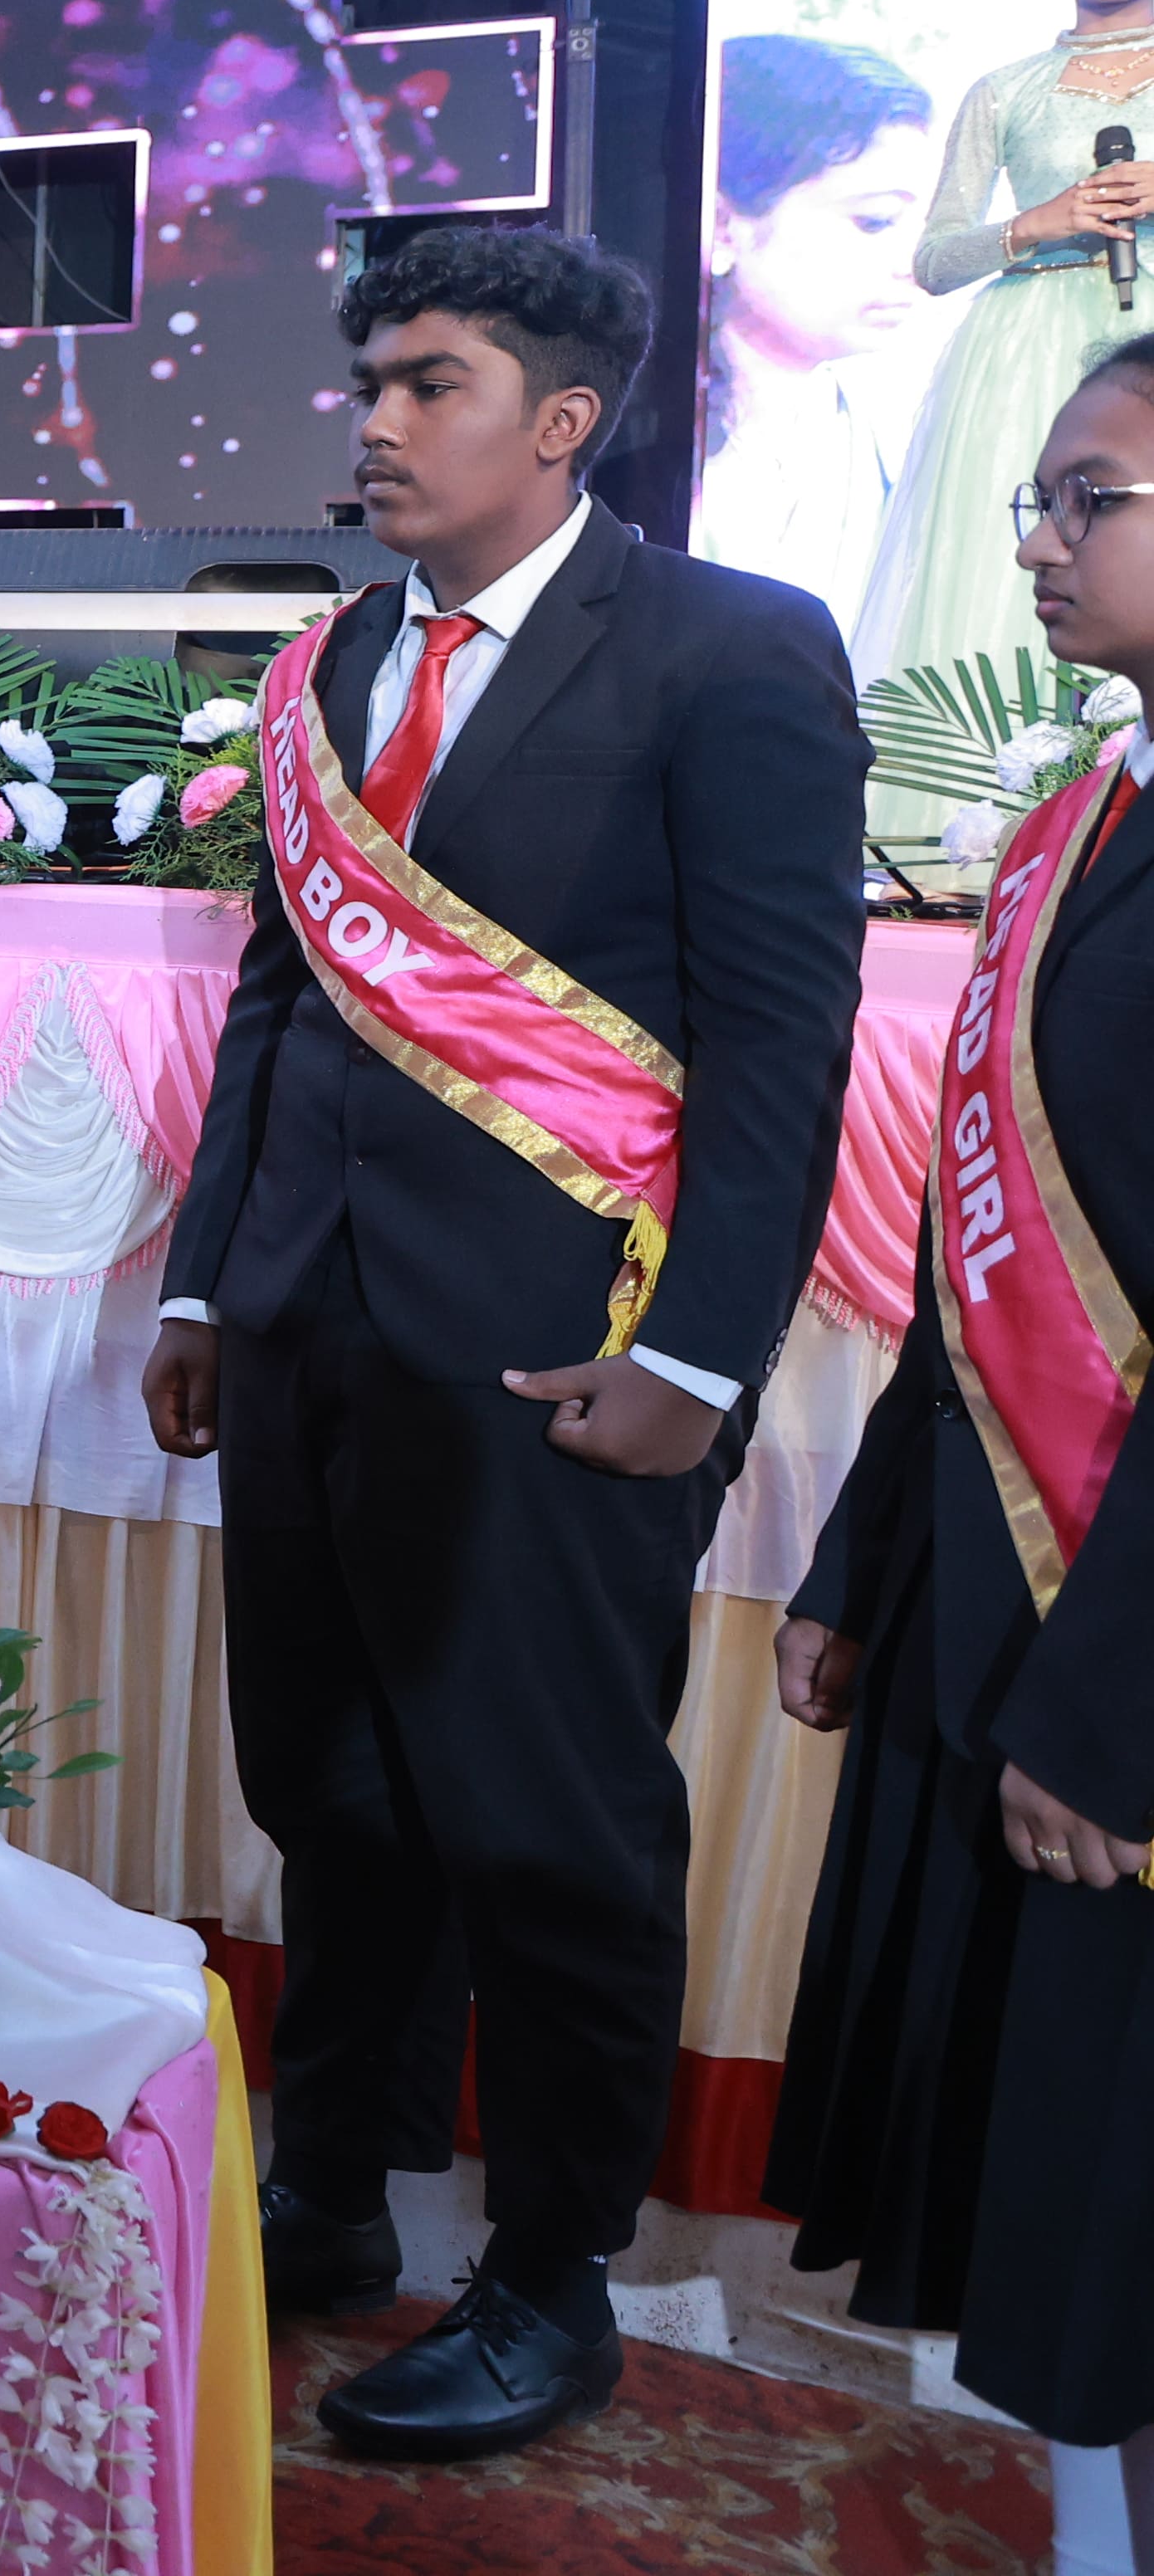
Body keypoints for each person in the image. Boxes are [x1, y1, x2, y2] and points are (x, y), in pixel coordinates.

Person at [143, 224, 868, 2461]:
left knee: (548, 1825)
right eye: (368, 379)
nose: (374, 422)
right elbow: (281, 998)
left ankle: (554, 2276)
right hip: (307, 1328)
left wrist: (702, 1367)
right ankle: (336, 2186)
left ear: (562, 422)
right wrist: (205, 1281)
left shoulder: (731, 651)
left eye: (426, 383)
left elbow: (781, 1048)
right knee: (331, 1794)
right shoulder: (330, 664)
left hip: (570, 1356)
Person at [768, 329, 1154, 2524]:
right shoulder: (1079, 823)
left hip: (1123, 1672)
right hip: (1012, 1610)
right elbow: (967, 1242)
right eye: (1040, 496)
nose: (1038, 540)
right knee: (1055, 2235)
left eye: (1094, 497)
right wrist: (866, 1568)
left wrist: (1111, 1713)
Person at [853, 0, 1154, 687]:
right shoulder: (1005, 90)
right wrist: (1037, 224)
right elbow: (934, 260)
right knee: (1025, 546)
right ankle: (1019, 760)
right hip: (1027, 350)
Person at [691, 34, 946, 657]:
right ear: (723, 223)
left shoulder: (904, 432)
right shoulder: (630, 433)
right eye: (876, 221)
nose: (914, 262)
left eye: (927, 227)